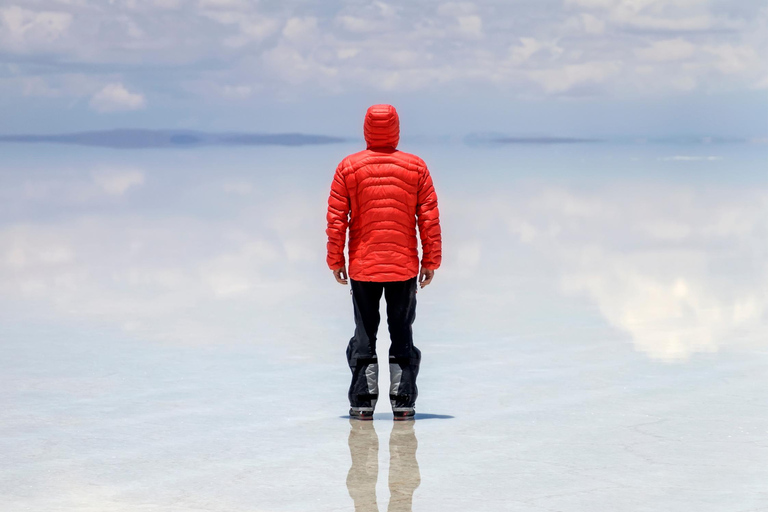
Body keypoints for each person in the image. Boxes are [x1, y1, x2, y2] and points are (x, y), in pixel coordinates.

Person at [326, 104, 442, 421]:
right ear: (396, 129)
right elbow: (428, 218)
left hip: (363, 267)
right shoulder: (415, 166)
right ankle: (403, 403)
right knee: (401, 333)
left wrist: (335, 259)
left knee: (365, 335)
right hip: (404, 267)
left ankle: (362, 403)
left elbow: (337, 219)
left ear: (366, 129)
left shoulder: (348, 167)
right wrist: (431, 259)